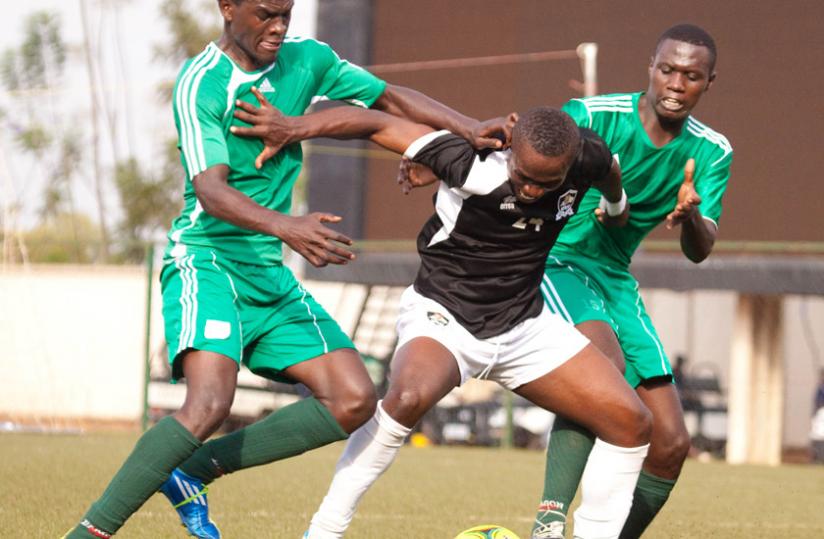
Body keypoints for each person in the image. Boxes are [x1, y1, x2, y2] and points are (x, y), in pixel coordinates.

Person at [62, 1, 515, 538]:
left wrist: (467, 127)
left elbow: (387, 98)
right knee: (208, 404)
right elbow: (210, 189)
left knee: (353, 398)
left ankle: (192, 471)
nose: (279, 26)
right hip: (207, 259)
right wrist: (288, 226)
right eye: (265, 14)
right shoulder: (202, 82)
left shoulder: (308, 60)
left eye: (287, 12)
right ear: (227, 8)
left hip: (267, 271)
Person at [236, 100, 653, 539]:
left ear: (569, 165)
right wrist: (295, 127)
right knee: (408, 397)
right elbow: (376, 121)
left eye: (544, 183)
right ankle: (324, 531)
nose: (530, 190)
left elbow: (609, 168)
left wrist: (617, 205)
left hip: (523, 324)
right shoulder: (466, 159)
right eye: (523, 176)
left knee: (632, 421)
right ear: (511, 153)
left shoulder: (586, 155)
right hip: (444, 315)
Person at [532, 24, 733, 539]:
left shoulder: (712, 151)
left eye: (691, 76)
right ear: (651, 67)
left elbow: (700, 249)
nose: (675, 84)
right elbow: (529, 167)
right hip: (556, 260)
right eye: (668, 70)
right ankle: (550, 522)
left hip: (614, 281)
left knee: (670, 442)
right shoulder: (594, 116)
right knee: (603, 369)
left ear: (709, 83)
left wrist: (689, 215)